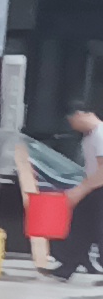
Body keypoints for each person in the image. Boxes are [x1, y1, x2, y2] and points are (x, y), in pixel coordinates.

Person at [58, 99, 103, 282]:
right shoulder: (89, 137)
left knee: (100, 230)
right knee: (81, 227)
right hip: (94, 187)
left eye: (72, 121)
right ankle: (70, 264)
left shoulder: (100, 134)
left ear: (79, 115)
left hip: (98, 187)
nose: (73, 127)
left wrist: (80, 190)